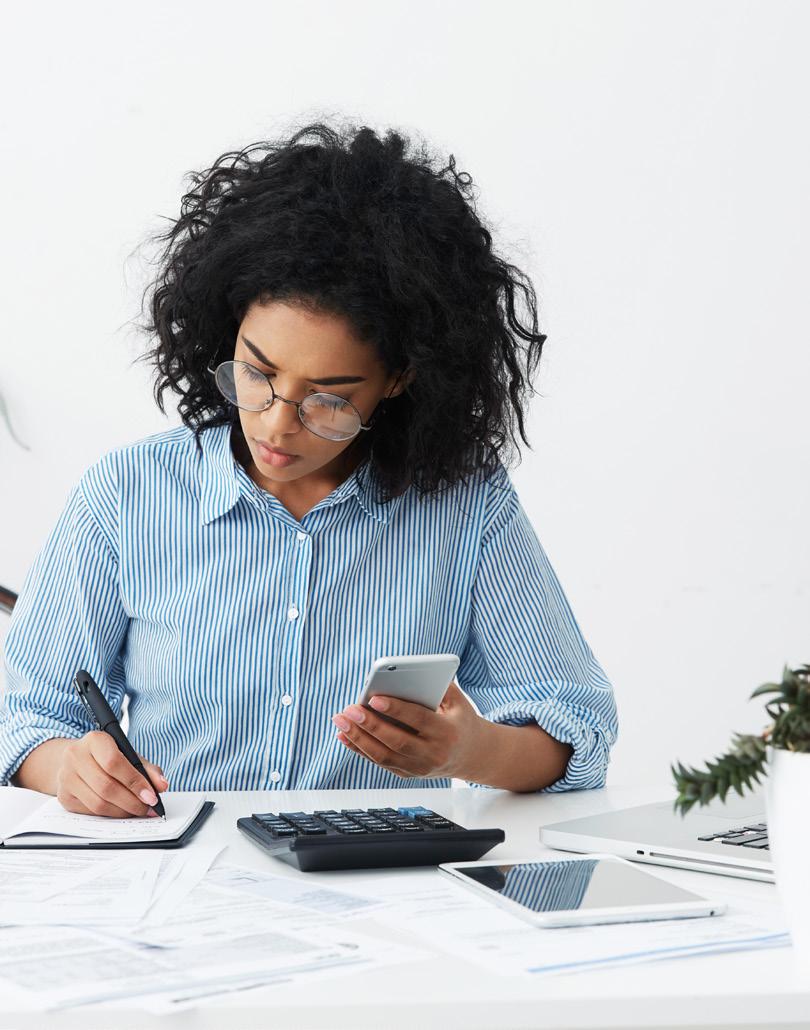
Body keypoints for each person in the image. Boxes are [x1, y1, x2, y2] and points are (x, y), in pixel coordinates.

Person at [0, 121, 618, 818]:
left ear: (399, 379)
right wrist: (70, 769)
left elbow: (576, 729)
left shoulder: (465, 506)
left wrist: (467, 751)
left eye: (328, 399)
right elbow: (24, 721)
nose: (276, 423)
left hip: (377, 875)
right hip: (179, 869)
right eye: (256, 372)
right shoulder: (128, 494)